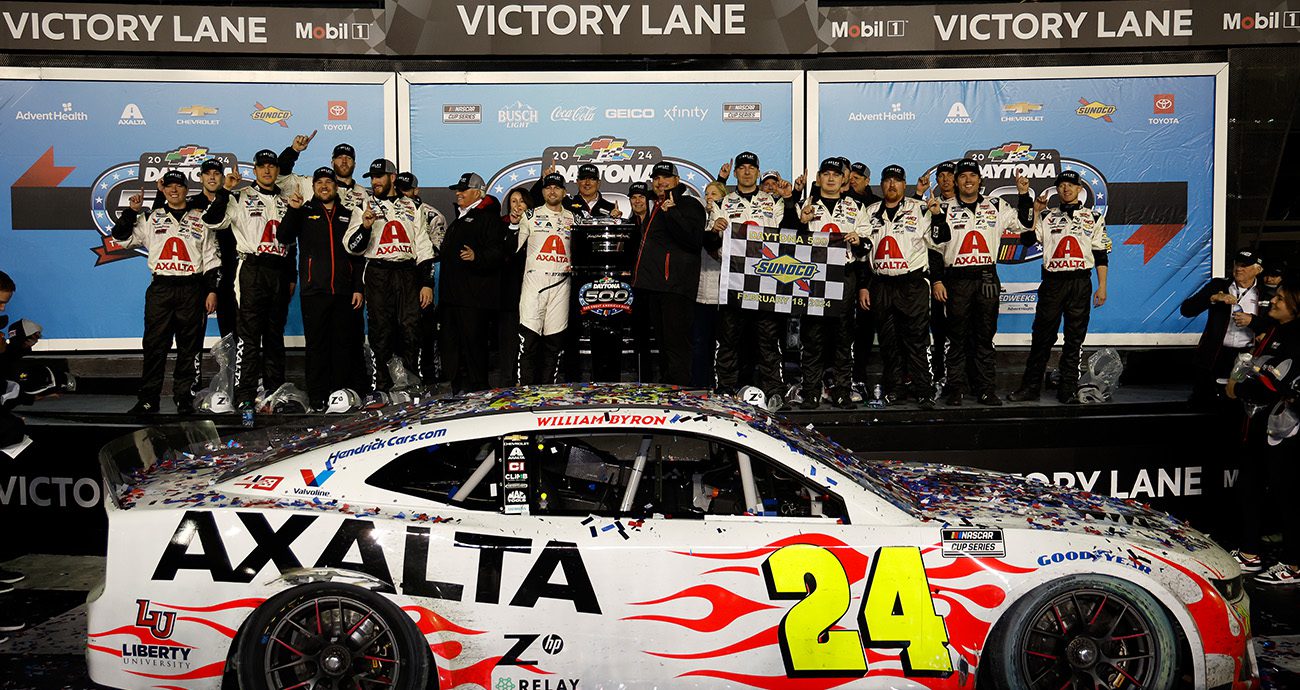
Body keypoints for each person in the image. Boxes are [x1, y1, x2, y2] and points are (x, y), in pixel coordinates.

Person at [113, 171, 219, 415]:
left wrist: (212, 290)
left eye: (178, 186)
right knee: (154, 346)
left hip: (192, 288)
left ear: (186, 189)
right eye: (169, 186)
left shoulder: (201, 218)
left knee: (189, 348)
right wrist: (131, 212)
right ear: (163, 190)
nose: (174, 190)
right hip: (161, 288)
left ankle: (185, 398)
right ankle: (148, 399)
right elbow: (121, 238)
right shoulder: (151, 217)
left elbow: (211, 259)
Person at [931, 160, 1033, 406]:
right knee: (956, 337)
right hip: (955, 279)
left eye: (972, 176)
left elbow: (1025, 224)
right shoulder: (942, 208)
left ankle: (986, 389)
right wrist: (937, 281)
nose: (968, 180)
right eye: (963, 176)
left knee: (985, 336)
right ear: (956, 181)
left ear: (980, 180)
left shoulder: (996, 205)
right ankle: (955, 389)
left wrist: (1023, 194)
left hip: (987, 277)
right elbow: (934, 249)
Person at [203, 149, 295, 413]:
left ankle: (276, 393)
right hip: (252, 269)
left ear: (278, 170)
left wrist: (291, 275)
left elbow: (291, 243)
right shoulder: (239, 197)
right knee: (249, 336)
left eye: (272, 166)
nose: (267, 171)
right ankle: (245, 394)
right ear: (254, 170)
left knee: (275, 336)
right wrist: (223, 192)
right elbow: (211, 221)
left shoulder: (287, 200)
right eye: (262, 166)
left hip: (278, 270)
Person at [1009, 170, 1112, 404]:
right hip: (1053, 283)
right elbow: (1026, 240)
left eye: (1071, 185)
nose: (1066, 189)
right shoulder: (1046, 216)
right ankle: (1030, 388)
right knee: (1042, 337)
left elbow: (1101, 255)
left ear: (1079, 190)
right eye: (1062, 185)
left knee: (1074, 339)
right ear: (1057, 190)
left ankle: (1067, 389)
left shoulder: (1093, 218)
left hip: (1080, 282)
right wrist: (1035, 211)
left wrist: (1102, 286)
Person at [1226, 274, 1300, 585]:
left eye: (1282, 299)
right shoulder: (1274, 329)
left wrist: (1244, 385)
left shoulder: (1297, 337)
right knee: (1251, 488)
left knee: (1290, 498)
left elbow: (1279, 384)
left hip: (1286, 433)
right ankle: (1250, 554)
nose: (1274, 301)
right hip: (1258, 427)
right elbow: (1255, 370)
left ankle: (1296, 566)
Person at [860, 164, 949, 409]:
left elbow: (940, 241)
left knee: (916, 340)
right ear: (881, 183)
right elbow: (863, 252)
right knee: (889, 341)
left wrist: (938, 215)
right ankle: (895, 389)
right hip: (881, 284)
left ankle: (924, 390)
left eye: (897, 180)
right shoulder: (869, 212)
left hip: (912, 284)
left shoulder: (920, 208)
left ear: (904, 184)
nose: (892, 185)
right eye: (887, 180)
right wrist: (865, 286)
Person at [277, 167, 366, 410]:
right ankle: (317, 397)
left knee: (342, 345)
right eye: (319, 182)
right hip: (313, 291)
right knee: (316, 346)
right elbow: (283, 236)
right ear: (313, 187)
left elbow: (358, 255)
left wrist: (358, 286)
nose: (324, 186)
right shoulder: (303, 211)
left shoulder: (349, 213)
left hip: (343, 292)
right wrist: (293, 211)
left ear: (337, 187)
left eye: (329, 181)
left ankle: (340, 395)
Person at [345, 159, 435, 394]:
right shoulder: (363, 206)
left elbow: (424, 246)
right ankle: (382, 388)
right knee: (381, 332)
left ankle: (410, 386)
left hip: (407, 273)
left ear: (392, 178)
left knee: (410, 331)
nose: (375, 181)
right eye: (372, 177)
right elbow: (351, 247)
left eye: (379, 176)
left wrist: (427, 283)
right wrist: (365, 227)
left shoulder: (413, 206)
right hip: (378, 273)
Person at [792, 158, 872, 409]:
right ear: (818, 179)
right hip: (813, 276)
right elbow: (786, 246)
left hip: (844, 275)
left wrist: (858, 241)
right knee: (812, 337)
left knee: (842, 336)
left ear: (843, 180)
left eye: (835, 175)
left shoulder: (856, 207)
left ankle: (841, 391)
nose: (830, 178)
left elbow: (867, 246)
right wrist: (801, 223)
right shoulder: (804, 205)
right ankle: (811, 391)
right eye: (825, 174)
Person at [711, 152, 789, 404]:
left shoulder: (773, 202)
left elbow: (789, 236)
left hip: (766, 280)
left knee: (768, 340)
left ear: (758, 172)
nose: (746, 172)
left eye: (751, 168)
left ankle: (775, 390)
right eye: (742, 168)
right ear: (735, 173)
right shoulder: (723, 203)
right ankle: (724, 390)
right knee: (729, 340)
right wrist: (715, 230)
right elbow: (709, 243)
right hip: (732, 279)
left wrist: (790, 201)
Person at [633, 162, 706, 386]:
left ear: (677, 180)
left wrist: (673, 212)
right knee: (663, 345)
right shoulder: (656, 205)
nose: (660, 182)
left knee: (677, 346)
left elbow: (694, 240)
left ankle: (681, 394)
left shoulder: (689, 204)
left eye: (666, 177)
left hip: (675, 287)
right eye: (656, 178)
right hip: (655, 286)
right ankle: (667, 391)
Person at [440, 172, 505, 394]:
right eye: (457, 189)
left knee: (474, 350)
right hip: (453, 297)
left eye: (463, 189)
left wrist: (478, 257)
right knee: (454, 349)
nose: (458, 193)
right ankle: (458, 391)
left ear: (478, 192)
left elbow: (499, 253)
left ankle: (479, 393)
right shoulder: (462, 216)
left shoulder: (488, 217)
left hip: (474, 299)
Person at [1181, 250, 1265, 407]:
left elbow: (1275, 325)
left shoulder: (1265, 293)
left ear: (1258, 269)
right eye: (1237, 264)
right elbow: (1187, 310)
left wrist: (1253, 321)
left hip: (1248, 356)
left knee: (1239, 404)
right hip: (1216, 353)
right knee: (1204, 402)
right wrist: (1212, 298)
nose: (1239, 269)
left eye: (1245, 266)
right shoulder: (1219, 285)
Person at [516, 173, 577, 385]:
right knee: (529, 342)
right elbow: (513, 251)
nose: (552, 191)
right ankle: (524, 392)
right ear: (542, 191)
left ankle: (548, 392)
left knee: (554, 343)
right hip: (534, 283)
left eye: (557, 188)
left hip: (562, 284)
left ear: (564, 192)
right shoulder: (530, 216)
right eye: (548, 187)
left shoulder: (573, 218)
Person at [395, 172, 449, 386]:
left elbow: (437, 250)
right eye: (399, 189)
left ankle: (429, 377)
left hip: (424, 274)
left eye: (407, 190)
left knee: (426, 331)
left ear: (416, 191)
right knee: (396, 330)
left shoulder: (432, 215)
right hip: (396, 276)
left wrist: (425, 280)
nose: (403, 194)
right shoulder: (390, 211)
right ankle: (400, 378)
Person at [278, 132, 368, 210]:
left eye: (348, 158)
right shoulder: (311, 184)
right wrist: (294, 150)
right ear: (332, 163)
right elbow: (281, 176)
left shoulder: (362, 192)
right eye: (340, 157)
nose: (344, 161)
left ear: (355, 164)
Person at [694, 180, 728, 388]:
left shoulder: (728, 219)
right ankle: (699, 386)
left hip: (722, 294)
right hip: (698, 293)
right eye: (707, 193)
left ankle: (721, 386)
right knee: (699, 344)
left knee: (721, 345)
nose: (709, 197)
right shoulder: (699, 218)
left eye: (714, 194)